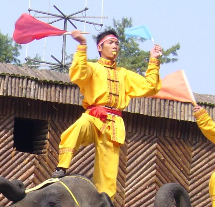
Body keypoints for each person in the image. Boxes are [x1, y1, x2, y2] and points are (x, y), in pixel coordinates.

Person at [52, 29, 163, 197]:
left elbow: (150, 86)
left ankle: (104, 205)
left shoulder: (124, 74)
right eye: (111, 43)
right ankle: (62, 167)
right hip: (94, 116)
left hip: (114, 125)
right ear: (100, 47)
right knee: (77, 128)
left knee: (108, 174)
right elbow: (77, 74)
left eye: (117, 44)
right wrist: (82, 45)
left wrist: (153, 60)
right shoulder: (92, 68)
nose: (115, 46)